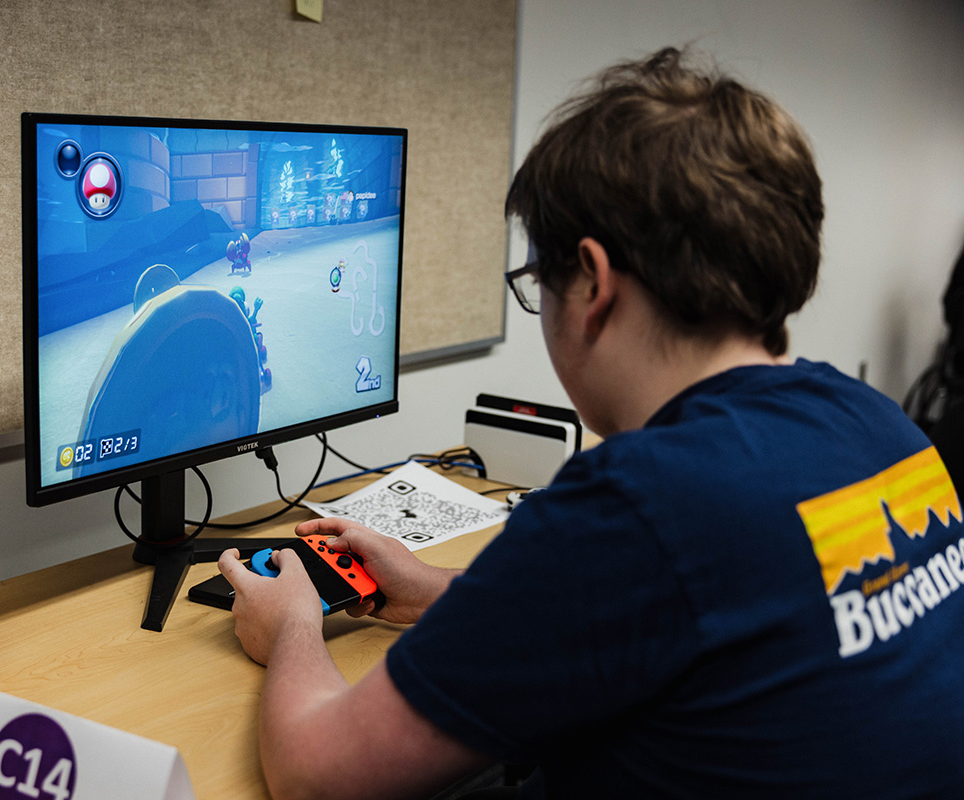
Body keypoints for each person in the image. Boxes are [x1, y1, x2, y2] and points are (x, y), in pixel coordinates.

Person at [217, 46, 964, 799]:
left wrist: (293, 627)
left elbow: (316, 776)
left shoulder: (641, 502)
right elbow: (679, 618)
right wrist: (431, 592)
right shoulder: (882, 429)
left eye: (538, 282)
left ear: (595, 283)